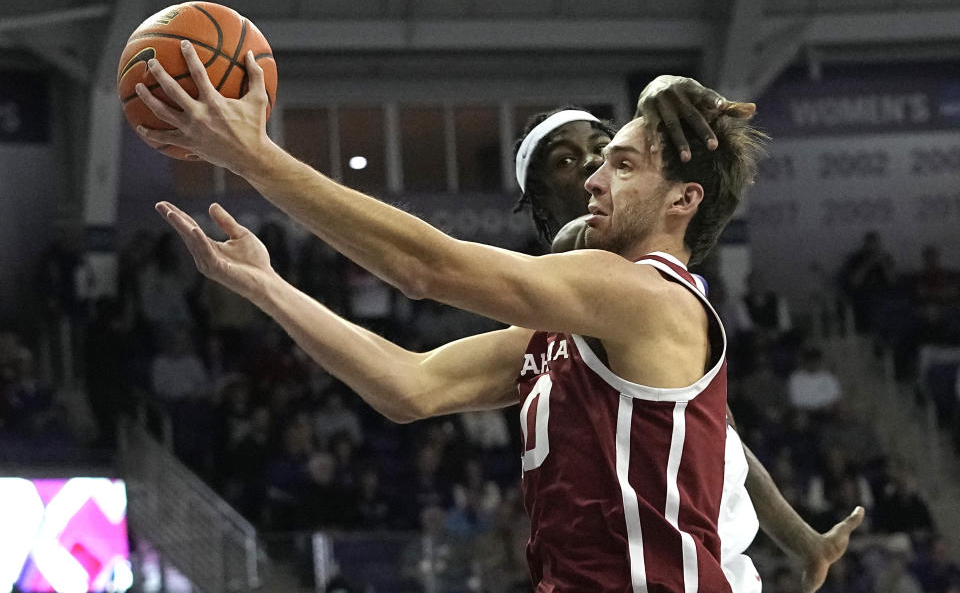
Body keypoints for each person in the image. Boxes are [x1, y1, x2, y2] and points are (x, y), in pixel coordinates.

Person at [134, 46, 843, 590]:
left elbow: (426, 269)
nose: (597, 177)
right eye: (590, 163)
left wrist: (252, 156)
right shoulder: (565, 329)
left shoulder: (644, 295)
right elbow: (409, 388)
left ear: (682, 201)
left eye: (621, 164)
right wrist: (268, 287)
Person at [513, 82, 862, 591]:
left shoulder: (654, 283)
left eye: (606, 150)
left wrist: (801, 537)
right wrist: (655, 91)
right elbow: (411, 383)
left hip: (696, 563)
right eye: (566, 162)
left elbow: (723, 435)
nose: (592, 166)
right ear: (543, 202)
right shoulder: (562, 290)